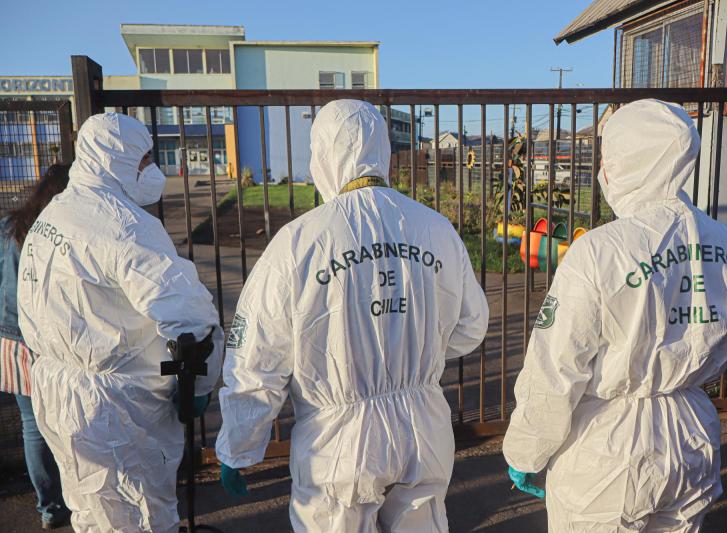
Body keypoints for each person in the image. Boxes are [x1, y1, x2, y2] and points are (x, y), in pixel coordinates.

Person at [216, 99, 489, 532]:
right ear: (382, 148)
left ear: (323, 153)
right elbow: (471, 325)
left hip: (338, 444)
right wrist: (417, 348)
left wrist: (238, 446)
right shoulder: (434, 228)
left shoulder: (299, 242)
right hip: (424, 426)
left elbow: (257, 359)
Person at [503, 99, 727, 532]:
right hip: (692, 433)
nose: (604, 170)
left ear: (626, 161)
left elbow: (556, 366)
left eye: (608, 158)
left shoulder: (600, 251)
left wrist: (527, 450)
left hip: (609, 450)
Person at [17, 112, 224, 533]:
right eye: (144, 158)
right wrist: (200, 386)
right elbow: (191, 321)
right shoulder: (124, 225)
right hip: (117, 410)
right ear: (118, 158)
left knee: (92, 514)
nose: (151, 169)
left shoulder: (55, 214)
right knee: (139, 517)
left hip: (59, 394)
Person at [0, 164, 71, 529]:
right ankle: (74, 494)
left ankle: (50, 506)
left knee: (33, 426)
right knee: (61, 421)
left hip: (8, 339)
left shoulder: (10, 227)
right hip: (45, 339)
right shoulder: (55, 232)